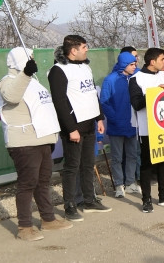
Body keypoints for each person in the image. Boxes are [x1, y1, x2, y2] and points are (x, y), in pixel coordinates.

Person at [0, 48, 71, 242]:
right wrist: (25, 73)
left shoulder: (34, 82)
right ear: (20, 59)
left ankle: (48, 219)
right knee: (27, 183)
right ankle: (25, 226)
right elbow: (11, 96)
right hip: (24, 142)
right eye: (30, 57)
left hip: (42, 139)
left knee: (43, 181)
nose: (33, 60)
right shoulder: (7, 81)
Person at [49, 35, 110, 221]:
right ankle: (70, 206)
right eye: (84, 47)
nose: (87, 49)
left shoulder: (85, 67)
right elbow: (59, 102)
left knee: (88, 164)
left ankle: (89, 200)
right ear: (73, 50)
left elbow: (92, 94)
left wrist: (99, 118)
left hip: (90, 124)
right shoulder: (58, 70)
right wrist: (70, 128)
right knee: (72, 167)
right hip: (74, 127)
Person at [129, 48, 164, 212]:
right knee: (147, 164)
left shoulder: (163, 74)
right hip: (147, 129)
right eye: (162, 59)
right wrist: (154, 93)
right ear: (152, 61)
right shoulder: (136, 79)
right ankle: (146, 199)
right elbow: (136, 104)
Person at [99, 51, 139, 199]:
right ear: (124, 64)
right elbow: (104, 102)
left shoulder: (135, 77)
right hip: (116, 125)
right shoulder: (110, 80)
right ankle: (118, 185)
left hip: (133, 124)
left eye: (135, 64)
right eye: (132, 64)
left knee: (132, 155)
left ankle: (130, 183)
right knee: (117, 157)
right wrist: (115, 118)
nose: (134, 66)